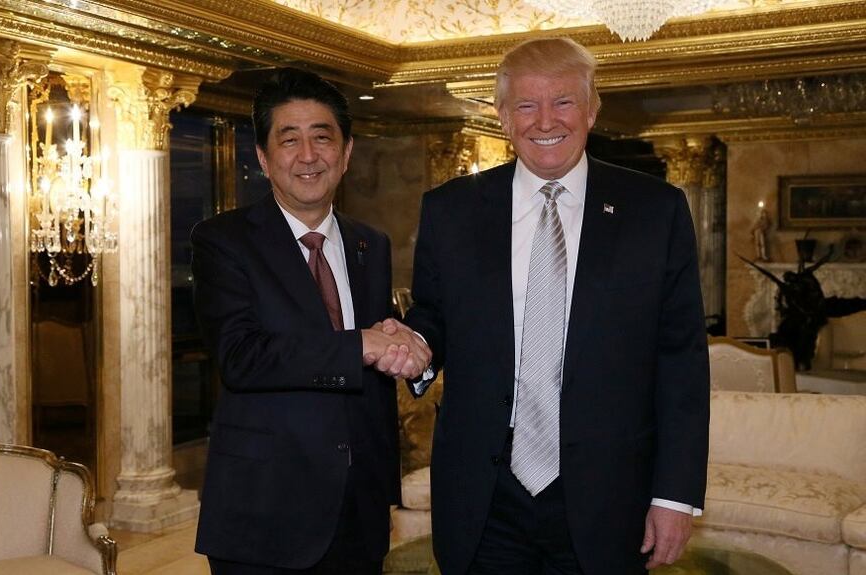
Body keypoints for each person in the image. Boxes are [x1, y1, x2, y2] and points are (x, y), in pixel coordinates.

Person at [401, 38, 710, 575]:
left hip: (610, 492)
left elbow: (681, 361)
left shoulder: (655, 211)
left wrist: (674, 496)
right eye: (525, 104)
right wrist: (415, 344)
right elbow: (434, 317)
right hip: (483, 494)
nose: (546, 120)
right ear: (502, 116)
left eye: (564, 101)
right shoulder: (450, 211)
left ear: (592, 109)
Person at [191, 67, 431, 575]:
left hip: (359, 506)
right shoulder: (223, 241)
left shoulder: (371, 244)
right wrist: (358, 346)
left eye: (322, 138)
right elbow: (241, 357)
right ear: (262, 156)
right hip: (264, 510)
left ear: (345, 155)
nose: (307, 155)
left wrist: (396, 340)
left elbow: (368, 343)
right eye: (289, 139)